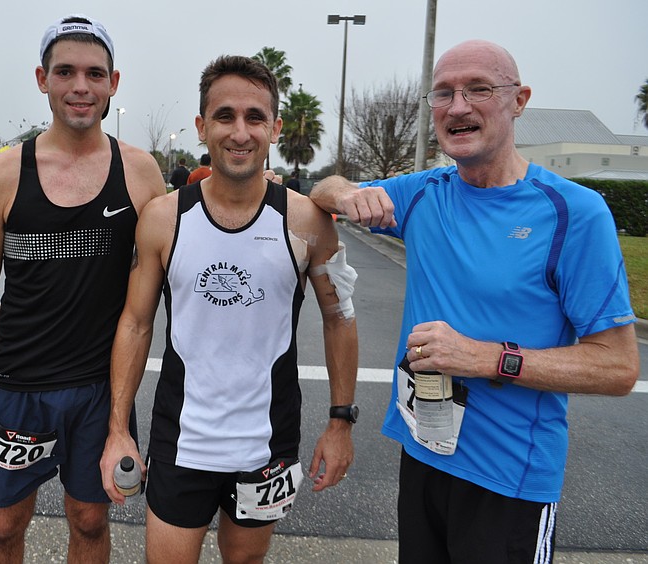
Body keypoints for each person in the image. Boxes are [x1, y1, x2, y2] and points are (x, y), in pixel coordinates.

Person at [310, 39, 639, 563]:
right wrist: (348, 192)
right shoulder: (424, 193)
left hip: (508, 480)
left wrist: (487, 357)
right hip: (422, 451)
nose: (458, 106)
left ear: (519, 99)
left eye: (478, 90)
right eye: (443, 94)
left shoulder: (575, 213)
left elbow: (618, 367)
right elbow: (321, 189)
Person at [100, 54, 359, 564]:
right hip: (182, 440)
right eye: (224, 116)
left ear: (275, 128)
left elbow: (339, 318)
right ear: (202, 126)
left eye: (254, 117)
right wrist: (117, 430)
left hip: (267, 443)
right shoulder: (162, 219)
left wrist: (340, 423)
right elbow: (135, 322)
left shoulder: (307, 223)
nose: (240, 132)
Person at [0, 14, 165, 563]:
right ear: (42, 78)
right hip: (20, 386)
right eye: (66, 72)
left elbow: (162, 281)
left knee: (91, 520)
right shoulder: (4, 174)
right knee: (3, 525)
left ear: (113, 83)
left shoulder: (141, 173)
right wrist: (16, 358)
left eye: (95, 74)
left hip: (100, 389)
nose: (81, 86)